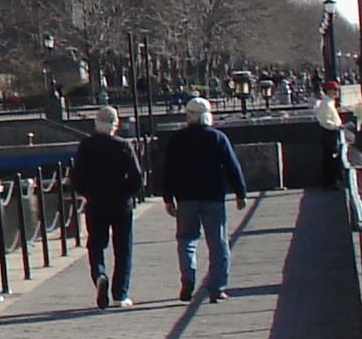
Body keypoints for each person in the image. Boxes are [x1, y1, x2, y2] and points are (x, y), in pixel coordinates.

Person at [157, 96, 250, 303]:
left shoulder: (177, 139)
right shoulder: (217, 137)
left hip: (185, 197)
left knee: (186, 239)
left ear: (188, 116)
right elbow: (231, 166)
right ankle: (217, 287)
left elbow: (168, 170)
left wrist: (168, 197)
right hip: (213, 196)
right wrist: (240, 192)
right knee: (218, 242)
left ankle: (188, 277)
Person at [70, 104, 143, 309]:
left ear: (96, 123)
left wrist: (88, 193)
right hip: (121, 203)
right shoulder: (123, 145)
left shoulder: (86, 146)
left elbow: (76, 177)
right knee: (123, 249)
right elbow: (137, 177)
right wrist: (128, 192)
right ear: (115, 124)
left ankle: (100, 275)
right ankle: (120, 294)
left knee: (96, 245)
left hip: (96, 203)